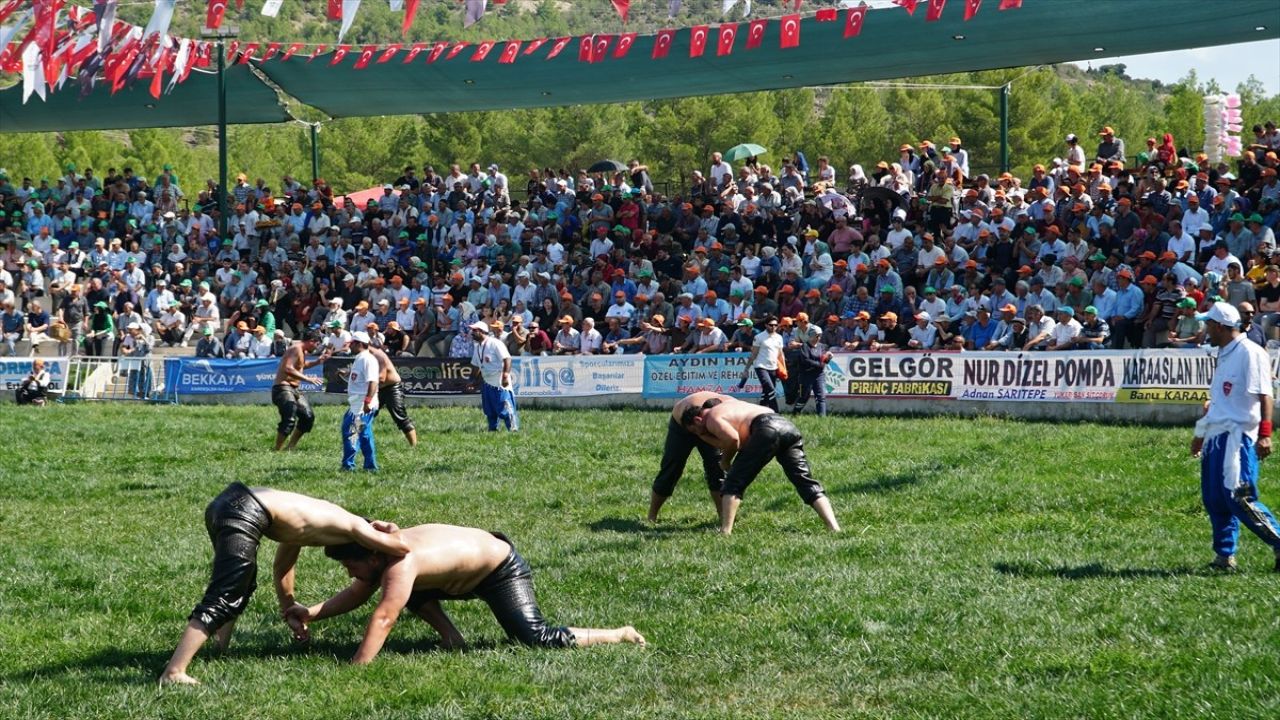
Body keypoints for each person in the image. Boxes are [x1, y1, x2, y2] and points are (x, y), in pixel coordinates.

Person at [159, 484, 410, 685]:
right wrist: (389, 528)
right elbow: (402, 546)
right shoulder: (355, 526)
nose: (349, 574)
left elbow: (282, 568)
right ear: (370, 550)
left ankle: (218, 650)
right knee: (226, 593)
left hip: (227, 501)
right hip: (245, 508)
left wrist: (288, 608)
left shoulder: (311, 525)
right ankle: (174, 672)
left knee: (240, 585)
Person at [291, 523, 645, 664]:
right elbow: (356, 594)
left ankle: (619, 634)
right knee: (399, 591)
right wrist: (310, 613)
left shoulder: (400, 564)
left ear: (370, 555)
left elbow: (384, 617)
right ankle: (452, 639)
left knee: (536, 637)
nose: (350, 573)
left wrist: (357, 667)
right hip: (462, 571)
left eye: (349, 566)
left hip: (499, 569)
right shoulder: (384, 552)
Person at [1191, 302, 1280, 571]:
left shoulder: (1249, 352)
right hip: (1217, 436)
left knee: (1239, 497)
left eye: (1208, 324)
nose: (1205, 328)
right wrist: (1201, 433)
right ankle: (1224, 555)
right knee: (1214, 498)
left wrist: (1265, 434)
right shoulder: (1224, 352)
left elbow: (1265, 394)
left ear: (1220, 326)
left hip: (1238, 436)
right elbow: (1222, 398)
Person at [682, 398, 841, 535]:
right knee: (804, 481)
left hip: (765, 428)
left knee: (733, 482)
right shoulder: (732, 405)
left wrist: (725, 462)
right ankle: (834, 528)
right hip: (787, 426)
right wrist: (705, 436)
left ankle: (725, 532)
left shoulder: (711, 417)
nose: (698, 435)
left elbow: (732, 440)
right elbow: (740, 439)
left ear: (697, 420)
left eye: (694, 431)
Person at [647, 392, 735, 523]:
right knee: (672, 467)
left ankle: (723, 517)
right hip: (681, 424)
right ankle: (651, 516)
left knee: (717, 468)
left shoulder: (732, 409)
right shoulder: (690, 416)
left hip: (708, 421)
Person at [272, 329, 324, 451]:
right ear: (312, 341)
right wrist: (307, 379)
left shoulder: (301, 351)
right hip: (283, 387)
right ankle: (277, 450)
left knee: (308, 416)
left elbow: (300, 366)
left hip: (293, 389)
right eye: (317, 344)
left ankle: (290, 447)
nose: (317, 347)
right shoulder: (295, 348)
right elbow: (288, 369)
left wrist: (317, 362)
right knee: (289, 417)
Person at [469, 320, 519, 431]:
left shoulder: (495, 343)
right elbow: (476, 366)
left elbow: (507, 358)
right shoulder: (477, 347)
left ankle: (513, 429)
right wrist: (472, 380)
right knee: (489, 409)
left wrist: (506, 375)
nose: (471, 333)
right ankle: (492, 429)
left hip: (499, 381)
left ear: (482, 331)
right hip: (486, 381)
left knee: (505, 407)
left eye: (474, 330)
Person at [342, 331, 380, 472]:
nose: (350, 345)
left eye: (352, 343)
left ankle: (348, 465)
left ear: (359, 344)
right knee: (364, 435)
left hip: (361, 406)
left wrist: (367, 402)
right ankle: (370, 466)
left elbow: (373, 382)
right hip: (356, 404)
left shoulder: (367, 359)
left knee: (351, 433)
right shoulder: (359, 358)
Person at [368, 344, 418, 446]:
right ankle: (357, 443)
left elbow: (381, 377)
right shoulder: (363, 356)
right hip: (377, 388)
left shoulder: (378, 355)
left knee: (399, 416)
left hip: (392, 388)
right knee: (365, 414)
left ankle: (414, 447)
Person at [740, 315, 784, 410]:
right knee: (771, 389)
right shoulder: (759, 337)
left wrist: (783, 368)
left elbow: (780, 354)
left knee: (766, 391)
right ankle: (775, 412)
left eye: (775, 325)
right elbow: (753, 354)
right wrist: (746, 369)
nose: (773, 327)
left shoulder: (779, 337)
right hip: (761, 366)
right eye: (771, 325)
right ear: (765, 325)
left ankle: (761, 409)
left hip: (773, 367)